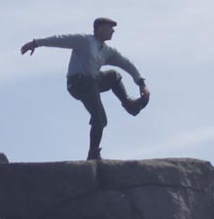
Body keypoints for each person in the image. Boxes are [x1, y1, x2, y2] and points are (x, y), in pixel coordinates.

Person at [21, 17, 150, 160]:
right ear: (99, 28)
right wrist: (35, 43)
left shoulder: (107, 51)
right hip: (78, 83)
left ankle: (129, 105)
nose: (113, 31)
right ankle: (93, 153)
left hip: (92, 81)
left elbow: (126, 64)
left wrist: (141, 83)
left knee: (113, 76)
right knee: (99, 117)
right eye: (110, 27)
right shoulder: (84, 41)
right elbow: (59, 39)